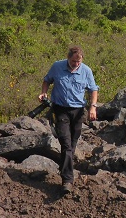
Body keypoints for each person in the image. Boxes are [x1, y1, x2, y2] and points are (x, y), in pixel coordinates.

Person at [39, 45, 99, 194]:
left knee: (72, 144)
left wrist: (93, 107)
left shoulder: (86, 71)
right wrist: (43, 93)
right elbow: (47, 80)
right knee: (65, 143)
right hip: (60, 110)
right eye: (73, 62)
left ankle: (64, 167)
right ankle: (67, 180)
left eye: (78, 62)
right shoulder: (57, 66)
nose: (76, 65)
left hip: (78, 112)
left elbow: (93, 89)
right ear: (68, 58)